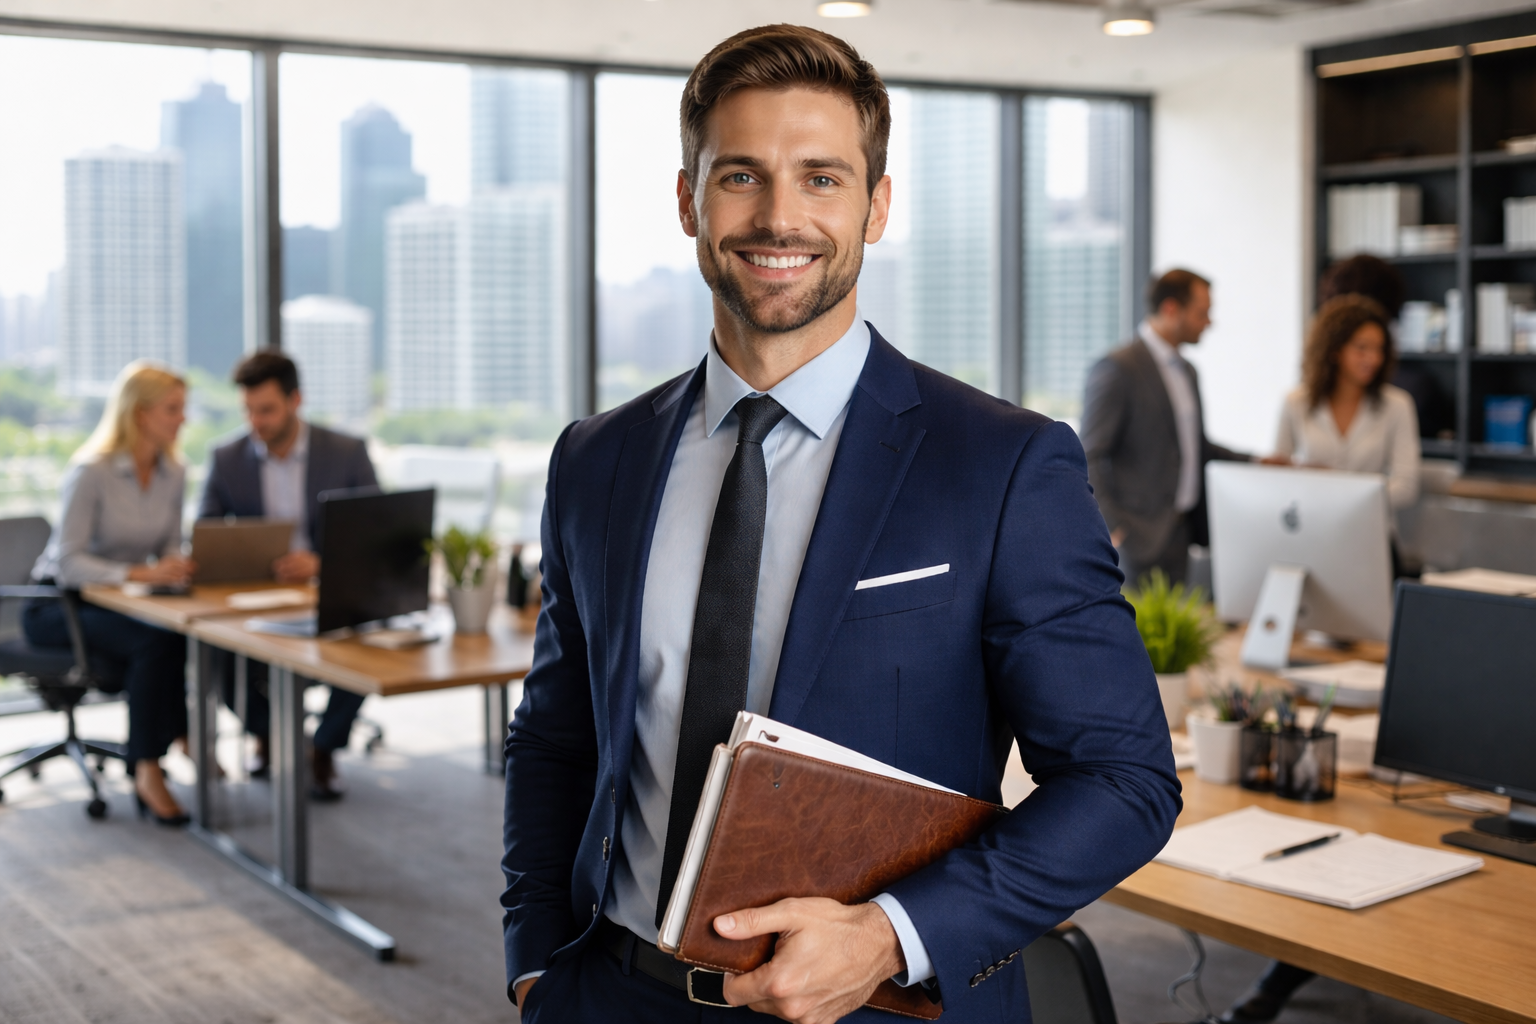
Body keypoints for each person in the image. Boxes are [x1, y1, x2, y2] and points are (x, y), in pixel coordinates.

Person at [501, 24, 1180, 1024]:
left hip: (873, 1006)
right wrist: (533, 960)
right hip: (614, 993)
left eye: (822, 178)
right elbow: (556, 736)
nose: (780, 216)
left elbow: (1125, 781)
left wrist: (889, 936)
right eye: (740, 176)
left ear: (878, 204)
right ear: (688, 200)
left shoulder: (1001, 464)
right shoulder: (596, 460)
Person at [198, 351, 377, 800]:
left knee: (370, 636)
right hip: (256, 593)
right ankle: (269, 735)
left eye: (267, 410)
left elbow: (376, 534)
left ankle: (324, 748)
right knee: (214, 651)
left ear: (296, 400)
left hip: (329, 590)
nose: (255, 422)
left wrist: (322, 561)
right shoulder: (227, 457)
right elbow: (205, 534)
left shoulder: (346, 452)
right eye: (248, 410)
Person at [25, 360, 195, 825]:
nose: (183, 418)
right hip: (57, 604)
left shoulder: (174, 471)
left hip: (119, 601)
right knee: (153, 643)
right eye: (172, 409)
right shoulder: (91, 470)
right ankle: (147, 767)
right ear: (140, 413)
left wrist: (173, 564)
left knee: (178, 634)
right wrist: (141, 572)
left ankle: (182, 737)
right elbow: (69, 561)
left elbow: (168, 542)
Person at [1080, 269, 1250, 588]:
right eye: (1202, 313)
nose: (1209, 322)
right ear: (1171, 309)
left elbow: (1194, 447)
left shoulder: (1187, 371)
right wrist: (1113, 526)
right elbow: (1088, 454)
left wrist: (1258, 461)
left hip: (1180, 533)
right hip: (1135, 539)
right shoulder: (1118, 368)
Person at [1266, 295, 1420, 508]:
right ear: (1335, 350)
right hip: (1314, 520)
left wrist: (1348, 500)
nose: (1373, 359)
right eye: (1362, 348)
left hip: (1370, 523)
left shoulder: (1397, 405)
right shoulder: (1295, 402)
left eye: (1379, 349)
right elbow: (1277, 474)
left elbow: (1406, 486)